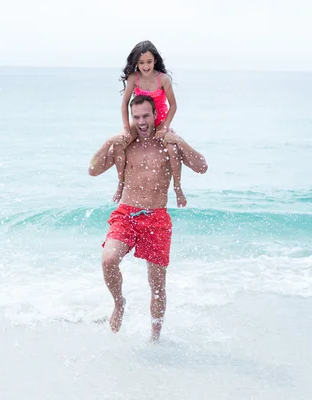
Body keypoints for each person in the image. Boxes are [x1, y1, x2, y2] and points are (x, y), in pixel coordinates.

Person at [88, 94, 208, 341]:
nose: (141, 122)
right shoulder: (125, 144)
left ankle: (155, 338)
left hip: (156, 218)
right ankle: (119, 303)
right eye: (136, 117)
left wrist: (180, 140)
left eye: (146, 116)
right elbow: (93, 170)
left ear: (155, 115)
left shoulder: (168, 144)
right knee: (108, 260)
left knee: (157, 286)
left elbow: (202, 166)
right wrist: (108, 141)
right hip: (127, 214)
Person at [113, 40, 186, 208]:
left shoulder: (163, 79)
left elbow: (173, 105)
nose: (145, 66)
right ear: (136, 63)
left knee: (173, 149)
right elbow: (124, 104)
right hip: (140, 122)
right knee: (117, 146)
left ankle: (178, 188)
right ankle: (120, 184)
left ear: (155, 61)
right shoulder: (134, 77)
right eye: (141, 62)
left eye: (149, 62)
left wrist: (165, 126)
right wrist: (126, 128)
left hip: (160, 122)